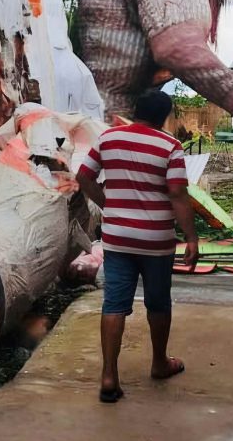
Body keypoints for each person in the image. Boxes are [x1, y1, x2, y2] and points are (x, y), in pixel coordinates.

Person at [78, 90, 200, 404]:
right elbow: (177, 195)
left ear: (135, 109)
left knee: (114, 304)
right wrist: (191, 237)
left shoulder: (108, 139)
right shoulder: (170, 146)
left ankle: (108, 376)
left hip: (118, 238)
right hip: (156, 241)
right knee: (158, 303)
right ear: (165, 116)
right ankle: (159, 363)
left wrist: (108, 204)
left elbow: (84, 177)